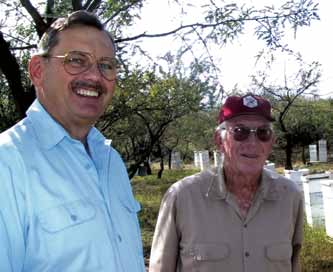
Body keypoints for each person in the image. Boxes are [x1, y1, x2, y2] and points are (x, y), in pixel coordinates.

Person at [0, 10, 145, 272]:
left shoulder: (111, 160)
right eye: (76, 60)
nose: (94, 76)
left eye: (106, 65)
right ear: (37, 71)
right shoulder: (7, 162)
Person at [149, 93, 304, 272]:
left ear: (271, 142)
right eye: (240, 132)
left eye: (263, 133)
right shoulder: (182, 197)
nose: (252, 143)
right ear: (219, 141)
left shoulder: (290, 197)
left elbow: (295, 263)